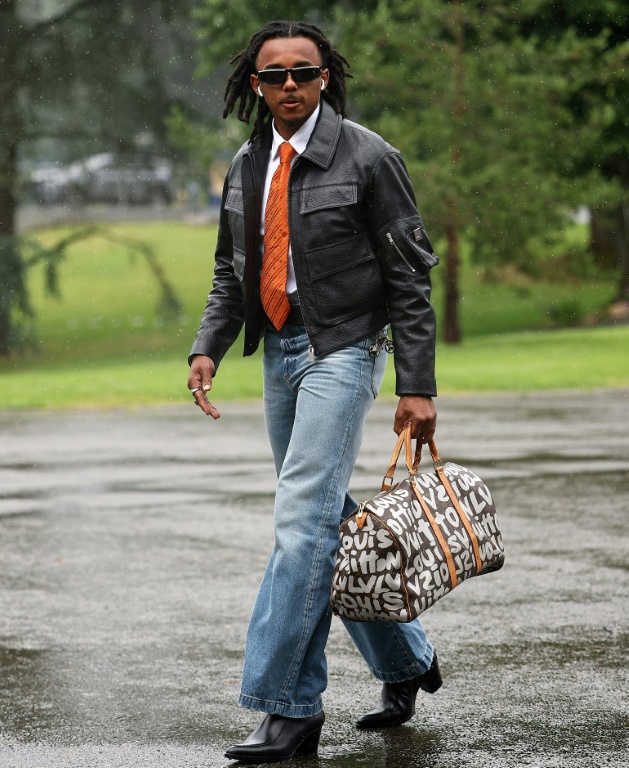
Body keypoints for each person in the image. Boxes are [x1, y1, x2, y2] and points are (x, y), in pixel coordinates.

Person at [187, 20, 441, 764]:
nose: (289, 85)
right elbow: (230, 271)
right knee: (324, 514)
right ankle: (406, 660)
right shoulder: (246, 163)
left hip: (344, 348)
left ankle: (289, 710)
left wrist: (416, 386)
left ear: (325, 76)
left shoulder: (367, 156)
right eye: (275, 76)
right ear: (256, 86)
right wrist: (207, 346)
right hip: (277, 351)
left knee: (299, 522)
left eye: (304, 71)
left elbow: (408, 277)